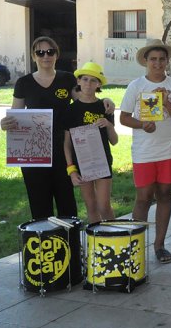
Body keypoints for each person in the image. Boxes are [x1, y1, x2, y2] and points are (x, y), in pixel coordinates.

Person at [0, 37, 114, 219]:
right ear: (33, 56)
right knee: (39, 204)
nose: (46, 56)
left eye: (50, 51)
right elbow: (15, 116)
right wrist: (4, 124)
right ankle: (44, 244)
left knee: (66, 203)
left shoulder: (67, 79)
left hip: (64, 149)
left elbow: (85, 100)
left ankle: (70, 245)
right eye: (40, 52)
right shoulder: (24, 83)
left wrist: (105, 102)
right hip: (35, 152)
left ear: (56, 54)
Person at [120, 39, 171, 264]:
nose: (157, 63)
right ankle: (136, 247)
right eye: (153, 59)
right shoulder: (136, 86)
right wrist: (142, 125)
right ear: (146, 62)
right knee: (143, 198)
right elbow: (124, 117)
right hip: (144, 152)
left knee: (165, 195)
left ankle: (159, 245)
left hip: (168, 150)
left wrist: (166, 102)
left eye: (161, 59)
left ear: (167, 61)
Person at [63, 61, 118, 224]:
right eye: (85, 79)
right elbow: (67, 143)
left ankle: (115, 237)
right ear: (78, 81)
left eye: (93, 80)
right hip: (82, 164)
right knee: (91, 206)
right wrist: (71, 170)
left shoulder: (105, 106)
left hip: (102, 162)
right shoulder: (71, 110)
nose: (88, 83)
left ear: (99, 84)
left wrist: (108, 125)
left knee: (104, 206)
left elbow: (114, 141)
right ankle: (96, 242)